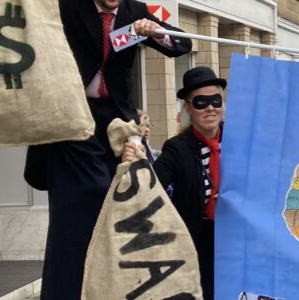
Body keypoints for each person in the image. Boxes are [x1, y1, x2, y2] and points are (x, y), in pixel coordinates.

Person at [23, 0, 192, 298]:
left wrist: (154, 33)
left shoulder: (134, 11)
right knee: (84, 206)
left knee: (120, 209)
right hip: (72, 117)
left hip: (115, 124)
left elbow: (182, 44)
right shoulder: (67, 6)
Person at [124, 66, 226, 296]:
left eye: (216, 101)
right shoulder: (177, 148)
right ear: (189, 107)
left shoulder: (240, 141)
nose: (210, 108)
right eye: (201, 102)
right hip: (195, 241)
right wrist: (133, 162)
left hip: (235, 240)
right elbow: (151, 186)